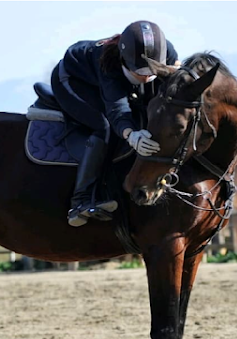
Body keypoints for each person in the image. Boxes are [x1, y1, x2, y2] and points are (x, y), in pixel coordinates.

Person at [51, 20, 179, 227]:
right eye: (141, 72)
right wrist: (132, 135)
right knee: (104, 126)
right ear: (124, 61)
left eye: (151, 72)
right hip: (73, 80)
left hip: (109, 77)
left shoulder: (167, 53)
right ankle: (81, 200)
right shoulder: (109, 66)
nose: (147, 79)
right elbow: (117, 110)